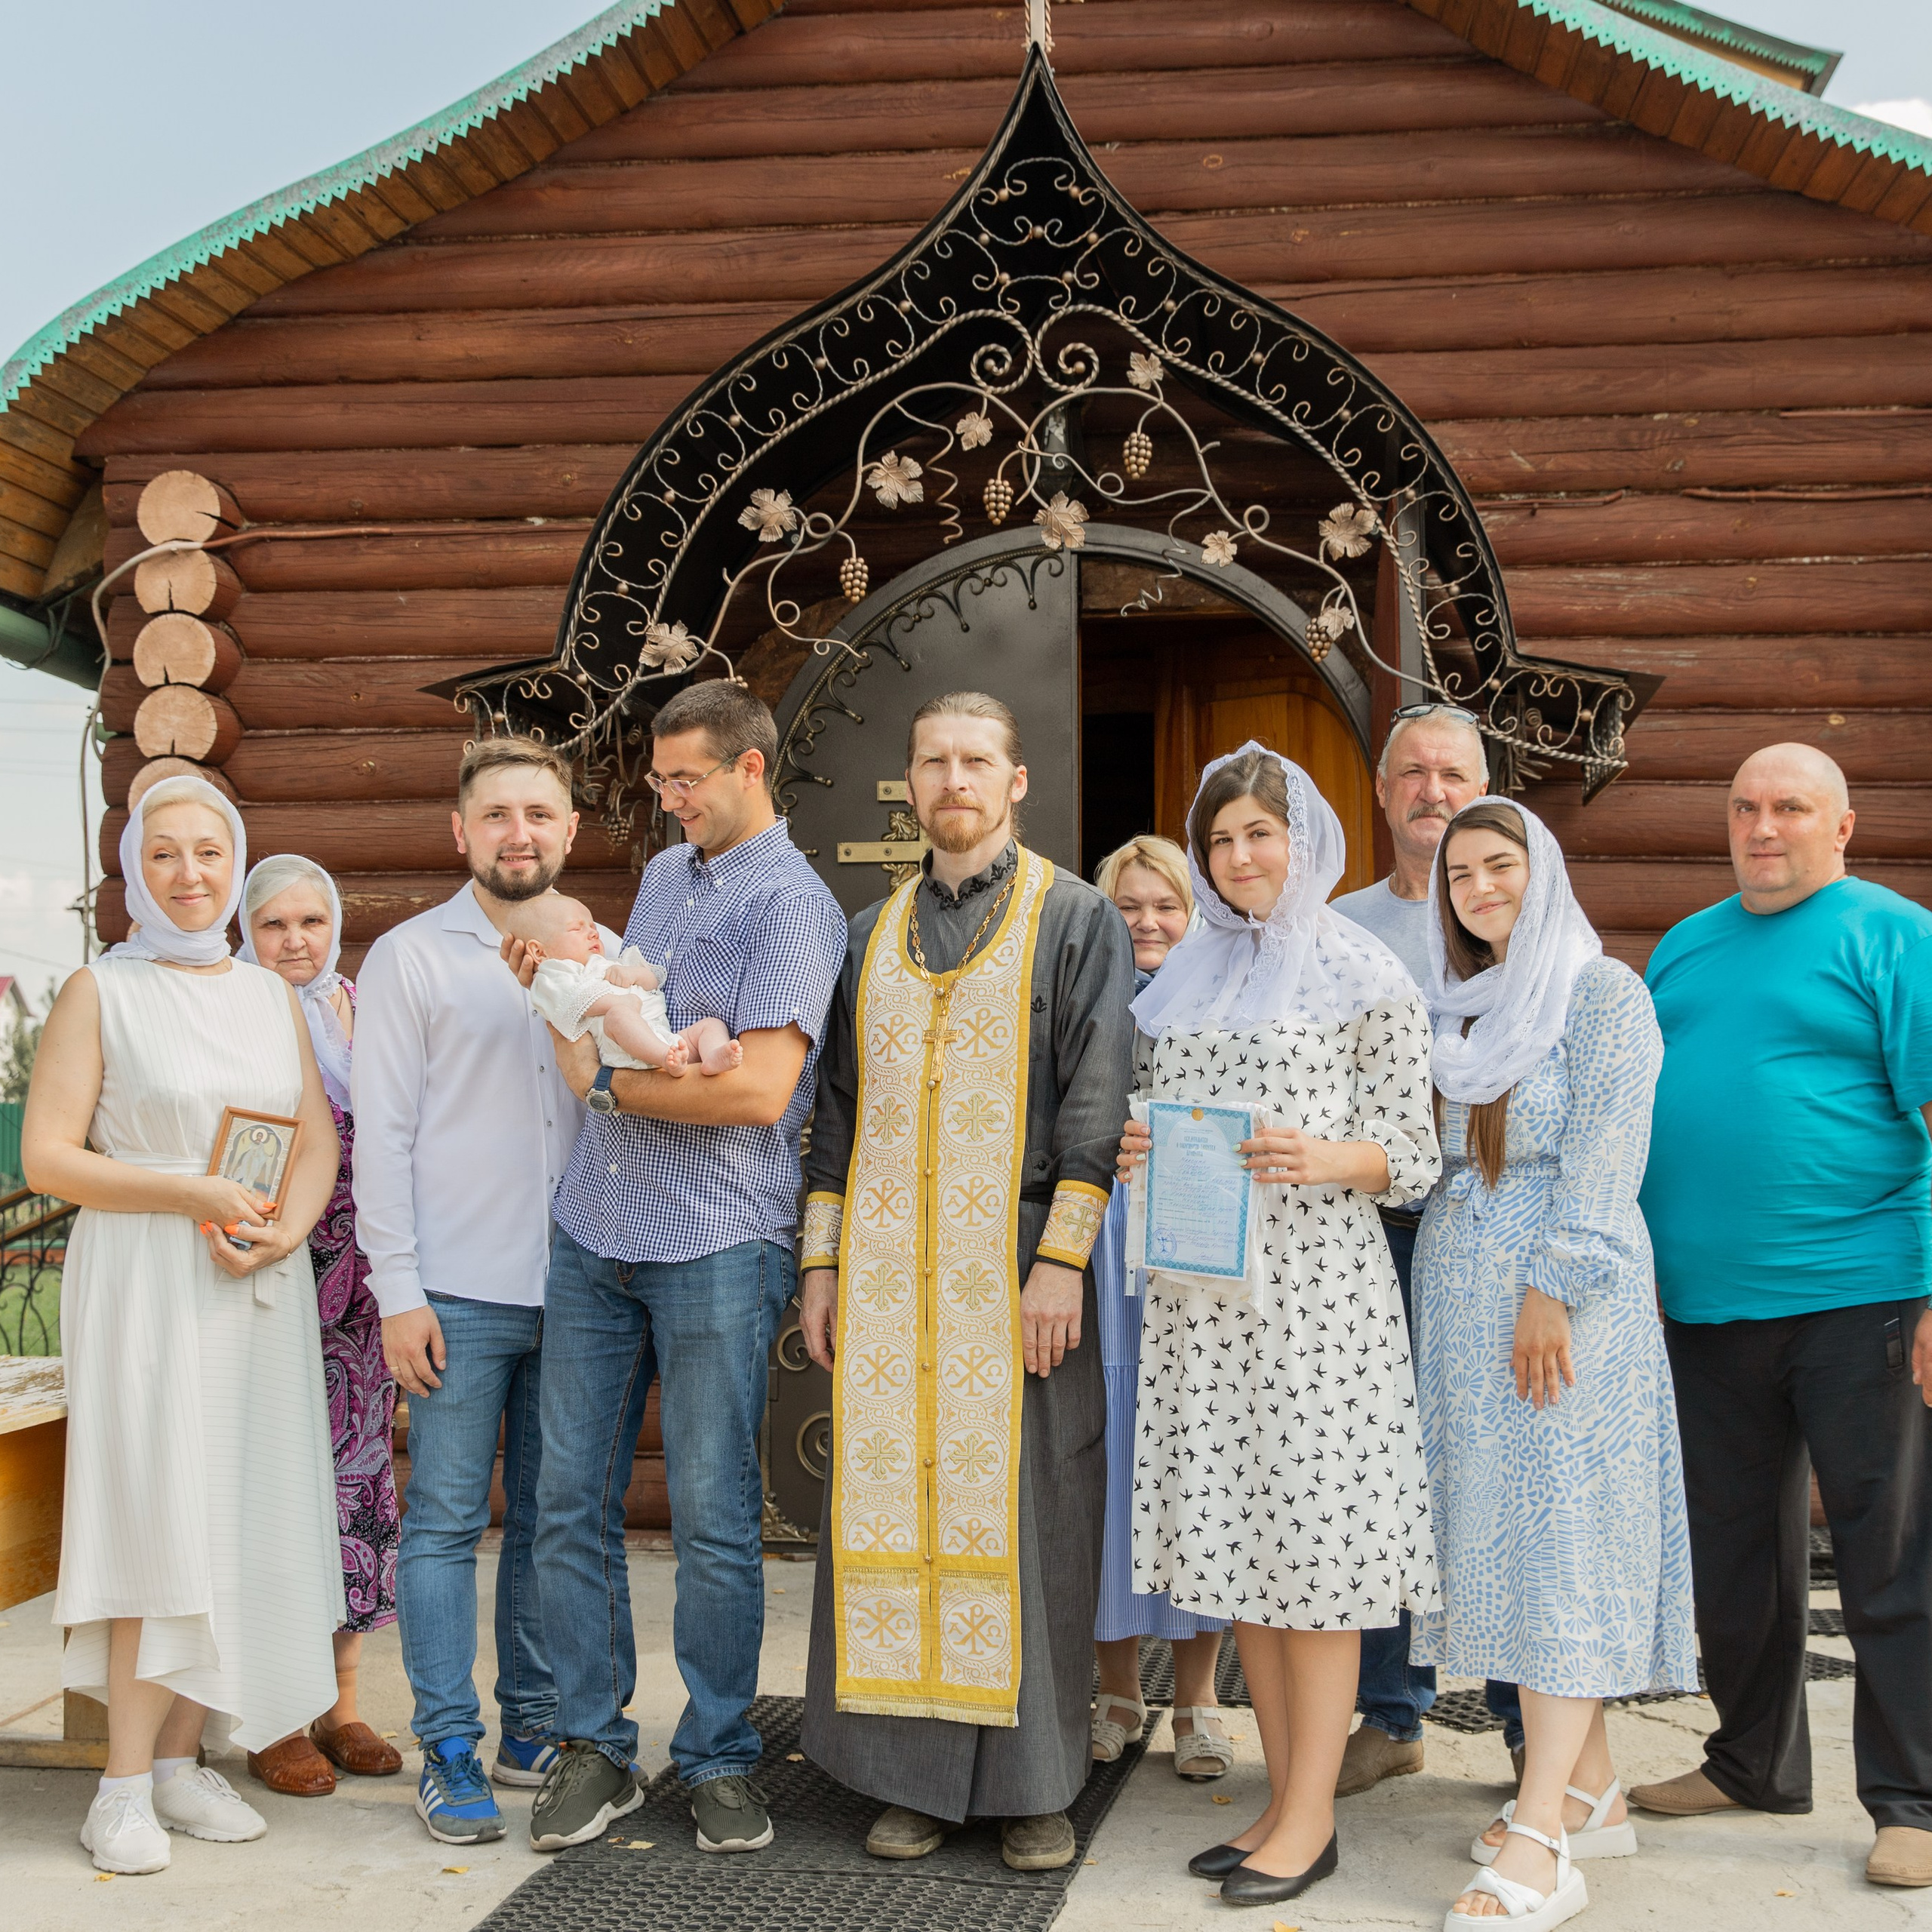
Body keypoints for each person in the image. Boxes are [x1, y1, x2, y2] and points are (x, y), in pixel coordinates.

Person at [505, 679, 845, 1858]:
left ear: (751, 769)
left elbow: (757, 1093)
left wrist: (604, 1084)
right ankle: (593, 1751)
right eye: (660, 782)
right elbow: (606, 1018)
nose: (667, 800)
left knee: (709, 1518)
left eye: (685, 780)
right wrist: (567, 1008)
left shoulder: (795, 905)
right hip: (595, 1223)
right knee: (565, 1504)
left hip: (715, 1238)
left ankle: (716, 1759)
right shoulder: (661, 877)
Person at [795, 691, 1135, 1874]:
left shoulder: (1078, 919)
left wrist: (1062, 1263)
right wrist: (823, 1262)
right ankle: (910, 1781)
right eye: (933, 760)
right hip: (890, 1281)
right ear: (909, 782)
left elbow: (1098, 1107)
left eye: (976, 760)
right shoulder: (863, 934)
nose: (955, 779)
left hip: (1015, 1279)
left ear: (1017, 780)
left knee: (1031, 1510)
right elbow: (835, 1112)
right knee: (898, 1510)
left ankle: (1037, 1786)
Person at [1118, 743, 1440, 1908]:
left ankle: (1312, 1819)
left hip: (1318, 1305)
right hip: (1207, 1301)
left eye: (1261, 835)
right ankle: (1279, 1796)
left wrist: (1320, 1158)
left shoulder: (1365, 973)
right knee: (1241, 1555)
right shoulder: (1184, 975)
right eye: (1221, 840)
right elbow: (1152, 1112)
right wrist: (1141, 1144)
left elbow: (1414, 1157)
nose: (1240, 857)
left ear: (1302, 843)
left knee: (1317, 1557)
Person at [23, 775, 344, 1875]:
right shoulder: (98, 993)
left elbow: (313, 1142)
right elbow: (49, 1158)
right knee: (155, 1515)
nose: (191, 874)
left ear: (235, 859)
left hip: (248, 1282)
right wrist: (191, 1198)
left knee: (229, 1514)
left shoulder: (268, 994)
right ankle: (117, 1788)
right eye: (165, 855)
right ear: (132, 871)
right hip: (148, 1278)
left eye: (211, 852)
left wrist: (282, 1233)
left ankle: (175, 1763)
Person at [1631, 743, 1932, 1892]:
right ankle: (1753, 1760)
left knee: (1886, 1556)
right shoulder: (1688, 946)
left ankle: (1912, 1800)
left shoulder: (1891, 934)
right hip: (1706, 1308)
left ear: (1841, 826)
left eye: (1791, 808)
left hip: (1864, 1294)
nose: (1764, 827)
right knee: (1735, 1556)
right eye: (1746, 807)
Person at [1413, 798, 1697, 1930]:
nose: (1482, 888)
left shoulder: (1602, 994)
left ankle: (1543, 1843)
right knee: (1514, 1542)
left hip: (1565, 1310)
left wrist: (1550, 1289)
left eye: (1501, 866)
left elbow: (1608, 1154)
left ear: (1546, 873)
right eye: (1462, 875)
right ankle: (1592, 1785)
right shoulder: (1463, 1012)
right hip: (1464, 1311)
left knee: (1567, 1546)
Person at [352, 737, 597, 1845]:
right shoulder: (411, 958)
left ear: (568, 831)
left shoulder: (604, 951)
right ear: (462, 833)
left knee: (554, 1522)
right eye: (496, 815)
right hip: (453, 1290)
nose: (518, 834)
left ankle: (529, 1724)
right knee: (446, 1523)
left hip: (582, 1289)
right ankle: (446, 1741)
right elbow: (384, 1138)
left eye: (538, 815)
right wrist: (397, 1290)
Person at [1329, 702, 1523, 1792]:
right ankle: (1389, 1715)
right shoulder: (1341, 925)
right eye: (1411, 773)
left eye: (1453, 772)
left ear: (1484, 786)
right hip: (1372, 1234)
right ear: (1382, 791)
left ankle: (1517, 1718)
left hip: (1487, 1227)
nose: (1431, 790)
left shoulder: (1520, 919)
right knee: (1376, 1468)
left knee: (1486, 1466)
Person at [237, 854, 403, 1794]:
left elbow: (404, 1131)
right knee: (270, 1487)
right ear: (246, 931)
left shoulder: (360, 1008)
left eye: (310, 921)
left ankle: (342, 1705)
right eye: (274, 924)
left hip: (359, 1292)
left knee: (353, 1485)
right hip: (262, 1277)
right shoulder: (229, 1012)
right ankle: (272, 1713)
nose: (295, 941)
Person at [1086, 835, 1233, 1783]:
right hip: (1098, 1238)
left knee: (1193, 1453)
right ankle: (1113, 1690)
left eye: (1165, 905)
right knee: (1103, 1454)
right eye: (1129, 906)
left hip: (1194, 1240)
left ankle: (1198, 1699)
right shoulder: (1085, 1002)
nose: (1146, 921)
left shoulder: (1226, 1005)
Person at [513, 891, 743, 1074]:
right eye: (577, 928)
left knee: (711, 1025)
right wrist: (619, 1001)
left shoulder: (609, 962)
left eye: (593, 927)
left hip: (663, 1035)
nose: (593, 934)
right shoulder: (554, 973)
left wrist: (634, 974)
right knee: (618, 1015)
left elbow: (654, 981)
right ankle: (666, 1057)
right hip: (621, 1047)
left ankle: (712, 1056)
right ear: (538, 951)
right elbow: (572, 1002)